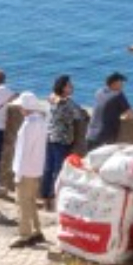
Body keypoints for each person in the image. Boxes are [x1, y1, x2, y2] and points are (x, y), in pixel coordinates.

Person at [6, 86, 53, 248]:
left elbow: (22, 151)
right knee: (31, 201)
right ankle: (37, 231)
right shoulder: (41, 122)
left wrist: (18, 173)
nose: (19, 109)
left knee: (22, 203)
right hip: (36, 169)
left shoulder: (28, 125)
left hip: (25, 170)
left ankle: (24, 234)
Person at [41, 75, 88, 206]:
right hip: (62, 140)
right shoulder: (68, 104)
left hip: (50, 137)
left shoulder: (51, 99)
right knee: (59, 170)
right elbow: (80, 115)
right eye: (69, 85)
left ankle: (45, 197)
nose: (72, 87)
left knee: (48, 169)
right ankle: (56, 198)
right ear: (63, 88)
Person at [89, 72, 133, 147]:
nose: (123, 85)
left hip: (90, 135)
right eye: (121, 83)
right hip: (104, 138)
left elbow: (106, 107)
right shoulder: (118, 95)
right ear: (114, 84)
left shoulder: (99, 92)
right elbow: (131, 115)